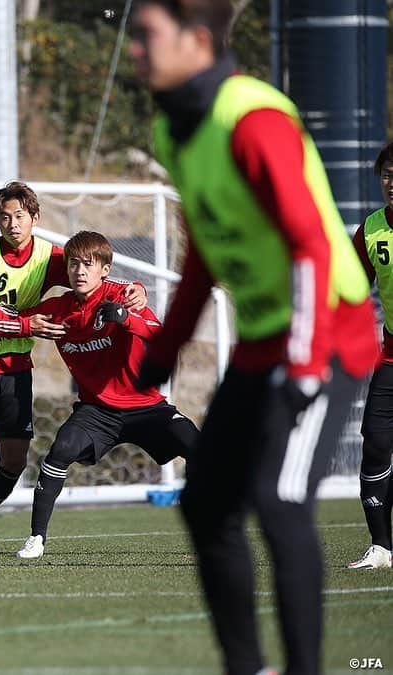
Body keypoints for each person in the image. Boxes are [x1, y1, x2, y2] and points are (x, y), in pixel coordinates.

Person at [128, 2, 379, 673]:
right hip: (267, 339)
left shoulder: (255, 117)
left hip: (327, 334)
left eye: (147, 37)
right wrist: (168, 341)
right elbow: (205, 248)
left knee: (279, 498)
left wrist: (303, 362)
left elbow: (309, 249)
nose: (134, 51)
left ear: (198, 40)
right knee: (206, 501)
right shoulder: (173, 127)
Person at [0, 230, 197, 558]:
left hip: (146, 405)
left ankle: (227, 516)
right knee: (60, 451)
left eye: (89, 264)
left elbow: (158, 332)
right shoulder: (59, 308)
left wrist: (126, 319)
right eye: (73, 264)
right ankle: (36, 539)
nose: (80, 271)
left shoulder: (123, 296)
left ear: (105, 269)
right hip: (97, 410)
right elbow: (18, 319)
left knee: (197, 446)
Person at [0, 182, 146, 556]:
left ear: (35, 218)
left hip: (17, 368)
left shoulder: (49, 257)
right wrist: (27, 326)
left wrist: (134, 287)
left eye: (20, 217)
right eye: (5, 218)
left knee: (13, 462)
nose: (13, 224)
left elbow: (96, 275)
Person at [348, 141, 393, 570]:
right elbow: (349, 289)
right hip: (392, 358)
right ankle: (381, 547)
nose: (392, 182)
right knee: (376, 442)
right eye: (387, 174)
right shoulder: (371, 229)